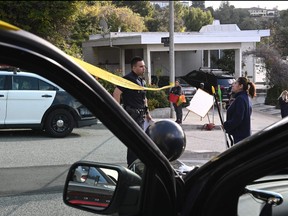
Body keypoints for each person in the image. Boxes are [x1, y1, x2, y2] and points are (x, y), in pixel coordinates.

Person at [113, 56, 153, 167]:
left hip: (141, 116)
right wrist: (118, 111)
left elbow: (144, 99)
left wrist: (148, 114)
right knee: (134, 142)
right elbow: (116, 93)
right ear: (133, 67)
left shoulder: (141, 81)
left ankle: (139, 164)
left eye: (144, 66)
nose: (143, 68)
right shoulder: (128, 78)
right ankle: (131, 166)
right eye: (141, 66)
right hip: (132, 115)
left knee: (142, 142)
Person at [223, 77, 256, 145]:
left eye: (235, 83)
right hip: (243, 135)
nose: (233, 85)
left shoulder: (240, 99)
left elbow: (238, 118)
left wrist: (226, 125)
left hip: (240, 136)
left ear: (241, 86)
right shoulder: (245, 97)